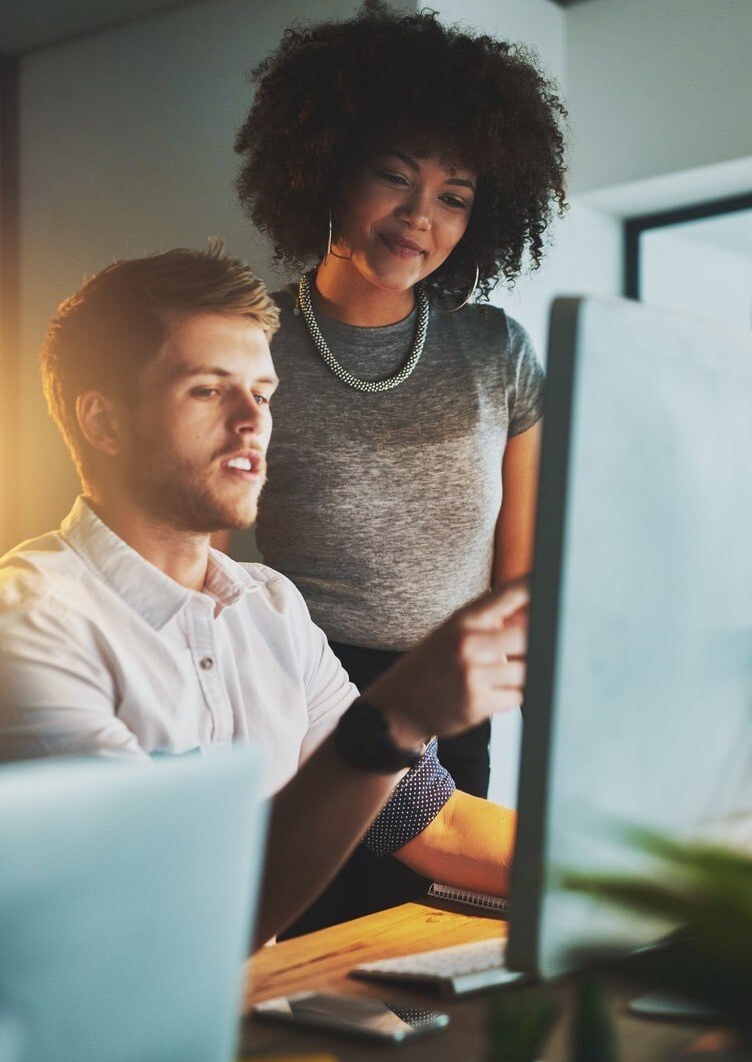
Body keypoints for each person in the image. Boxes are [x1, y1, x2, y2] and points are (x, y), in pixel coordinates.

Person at [0, 244, 527, 950]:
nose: (253, 422)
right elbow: (175, 925)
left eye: (264, 392)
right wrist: (394, 717)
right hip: (100, 1060)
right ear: (104, 423)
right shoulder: (30, 629)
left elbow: (430, 819)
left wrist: (661, 870)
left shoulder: (271, 606)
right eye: (209, 390)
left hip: (266, 1036)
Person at [233, 0, 567, 926]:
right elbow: (207, 568)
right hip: (313, 696)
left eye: (455, 195)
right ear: (325, 168)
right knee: (311, 946)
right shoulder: (250, 342)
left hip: (460, 691)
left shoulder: (495, 350)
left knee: (445, 948)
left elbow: (523, 570)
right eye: (394, 178)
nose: (421, 217)